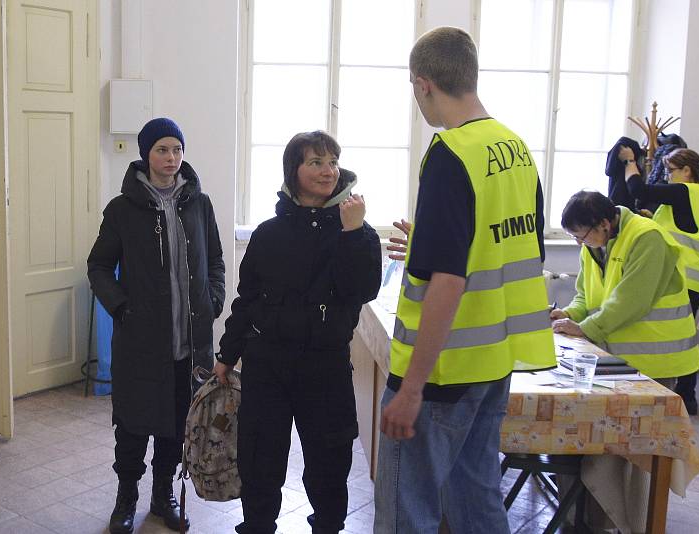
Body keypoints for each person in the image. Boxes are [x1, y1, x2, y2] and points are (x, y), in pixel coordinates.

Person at [374, 27, 555, 534]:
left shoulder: (451, 154)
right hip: (494, 361)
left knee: (407, 508)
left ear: (423, 83)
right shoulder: (515, 149)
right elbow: (511, 249)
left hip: (440, 373)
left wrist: (410, 389)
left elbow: (448, 282)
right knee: (476, 497)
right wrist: (428, 247)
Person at [213, 131, 381, 534]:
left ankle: (327, 526)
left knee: (329, 460)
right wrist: (227, 353)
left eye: (332, 162)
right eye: (316, 162)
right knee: (260, 457)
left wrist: (353, 233)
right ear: (294, 170)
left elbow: (362, 290)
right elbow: (247, 298)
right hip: (267, 363)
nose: (328, 171)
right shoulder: (269, 233)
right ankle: (257, 526)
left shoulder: (355, 227)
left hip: (324, 365)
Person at [88, 117, 226, 534]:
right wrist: (121, 308)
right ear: (146, 154)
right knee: (132, 423)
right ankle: (126, 495)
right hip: (141, 341)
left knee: (177, 421)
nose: (171, 158)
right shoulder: (122, 209)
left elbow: (216, 260)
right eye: (162, 150)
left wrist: (213, 300)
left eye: (177, 150)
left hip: (190, 341)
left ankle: (162, 492)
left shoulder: (199, 204)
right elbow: (97, 266)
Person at [551, 190, 699, 386]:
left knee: (649, 415)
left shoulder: (647, 237)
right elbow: (585, 295)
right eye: (574, 236)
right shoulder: (593, 245)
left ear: (604, 224)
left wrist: (585, 329)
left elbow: (631, 300)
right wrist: (569, 315)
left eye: (581, 236)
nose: (579, 242)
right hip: (614, 356)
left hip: (655, 357)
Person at [620, 146, 699, 414]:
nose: (668, 176)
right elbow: (686, 228)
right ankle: (686, 396)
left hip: (685, 273)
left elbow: (638, 190)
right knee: (683, 334)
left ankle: (684, 396)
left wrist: (630, 161)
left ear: (687, 170)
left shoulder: (684, 190)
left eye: (671, 171)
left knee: (676, 336)